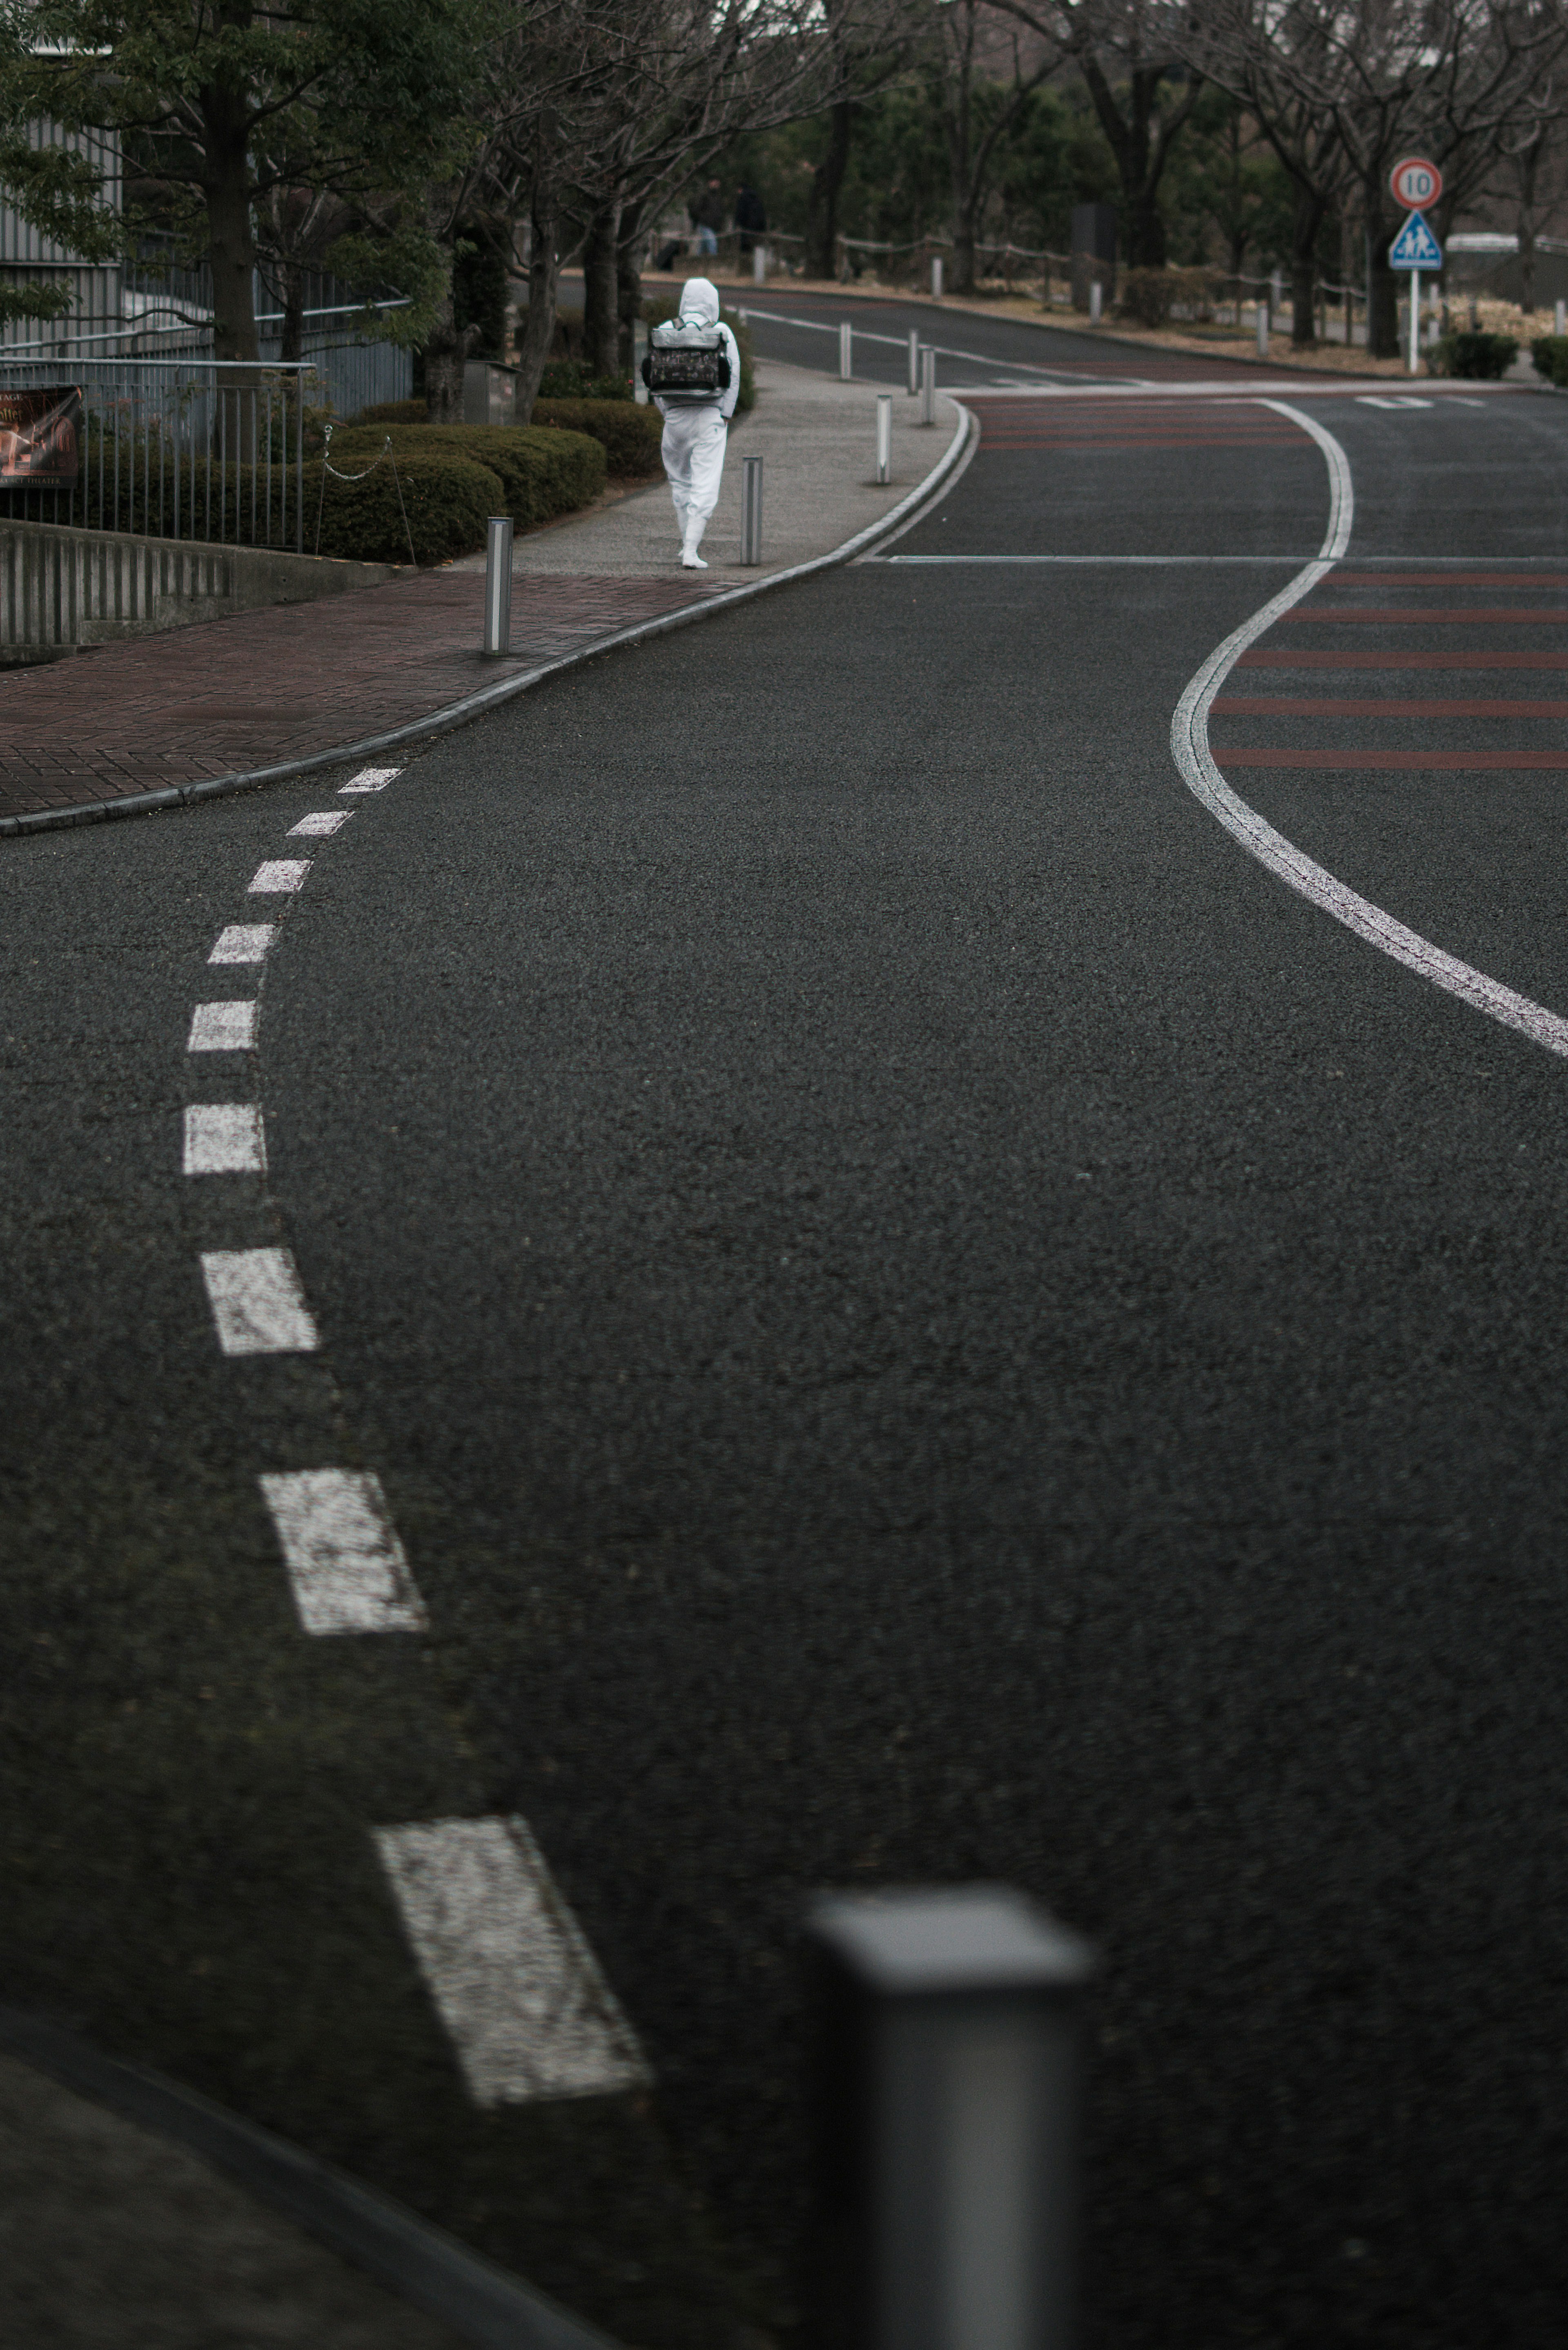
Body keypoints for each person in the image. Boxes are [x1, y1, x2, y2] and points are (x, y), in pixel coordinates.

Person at [654, 277, 741, 571]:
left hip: (675, 416)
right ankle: (691, 549)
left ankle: (685, 545)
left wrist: (666, 411)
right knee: (705, 486)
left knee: (680, 481)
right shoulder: (722, 331)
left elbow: (654, 377)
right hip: (709, 415)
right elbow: (734, 376)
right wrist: (725, 414)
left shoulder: (666, 329)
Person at [689, 179, 726, 258]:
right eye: (714, 182)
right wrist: (703, 218)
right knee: (712, 244)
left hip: (713, 226)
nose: (716, 184)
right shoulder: (705, 197)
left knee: (703, 246)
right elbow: (697, 210)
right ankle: (714, 263)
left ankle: (697, 262)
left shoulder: (718, 198)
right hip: (705, 225)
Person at [734, 183, 767, 258]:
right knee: (758, 251)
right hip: (759, 230)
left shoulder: (743, 198)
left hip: (747, 229)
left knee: (745, 251)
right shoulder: (757, 198)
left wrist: (737, 225)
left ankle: (745, 266)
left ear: (740, 189)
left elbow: (740, 214)